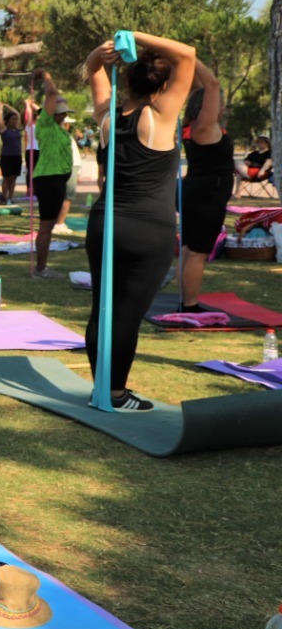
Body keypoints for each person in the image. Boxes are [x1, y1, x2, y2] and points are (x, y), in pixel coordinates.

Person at [83, 30, 197, 411]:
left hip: (105, 224)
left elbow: (92, 69)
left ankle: (103, 388)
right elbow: (188, 55)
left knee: (103, 307)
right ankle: (114, 395)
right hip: (148, 230)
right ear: (163, 86)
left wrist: (101, 54)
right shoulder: (161, 115)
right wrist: (135, 36)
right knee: (127, 314)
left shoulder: (106, 116)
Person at [177, 64, 231, 310]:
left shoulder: (194, 126)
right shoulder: (205, 126)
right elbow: (212, 85)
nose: (221, 106)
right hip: (207, 196)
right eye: (218, 102)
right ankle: (190, 304)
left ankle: (186, 300)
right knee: (197, 253)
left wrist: (188, 66)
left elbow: (201, 87)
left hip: (196, 191)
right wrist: (192, 58)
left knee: (189, 250)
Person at [29, 69, 74, 278]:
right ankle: (41, 268)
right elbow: (52, 95)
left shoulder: (59, 129)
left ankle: (42, 266)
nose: (65, 115)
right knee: (46, 225)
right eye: (62, 111)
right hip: (49, 178)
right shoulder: (45, 125)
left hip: (56, 179)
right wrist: (47, 76)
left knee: (49, 224)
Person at [0, 109, 23, 200]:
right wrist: (0, 108)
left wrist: (8, 106)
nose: (15, 121)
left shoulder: (17, 129)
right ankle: (4, 197)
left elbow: (18, 114)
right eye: (12, 119)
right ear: (7, 120)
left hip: (17, 156)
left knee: (13, 178)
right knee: (6, 178)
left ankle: (11, 197)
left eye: (16, 119)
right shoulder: (4, 129)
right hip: (6, 156)